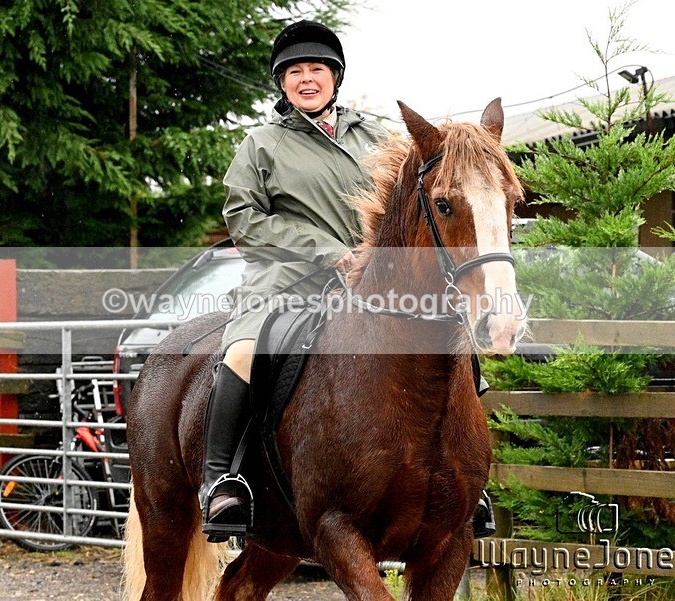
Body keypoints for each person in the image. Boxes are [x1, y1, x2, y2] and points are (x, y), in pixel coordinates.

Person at [199, 19, 496, 543]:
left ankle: (462, 482)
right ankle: (222, 479)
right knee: (245, 350)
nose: (306, 79)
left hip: (372, 279)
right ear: (282, 83)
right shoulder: (262, 144)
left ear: (335, 77)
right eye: (294, 72)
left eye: (317, 69)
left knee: (452, 341)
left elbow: (415, 197)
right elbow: (244, 220)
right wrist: (326, 251)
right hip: (285, 279)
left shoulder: (375, 135)